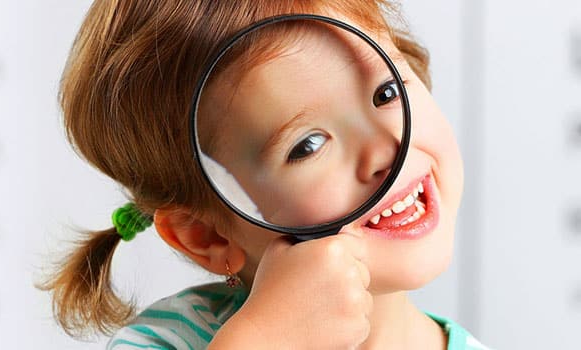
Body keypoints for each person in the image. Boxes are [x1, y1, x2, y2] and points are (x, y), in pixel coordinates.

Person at [38, 0, 491, 349]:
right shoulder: (172, 339)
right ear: (206, 236)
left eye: (385, 92)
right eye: (307, 145)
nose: (383, 149)